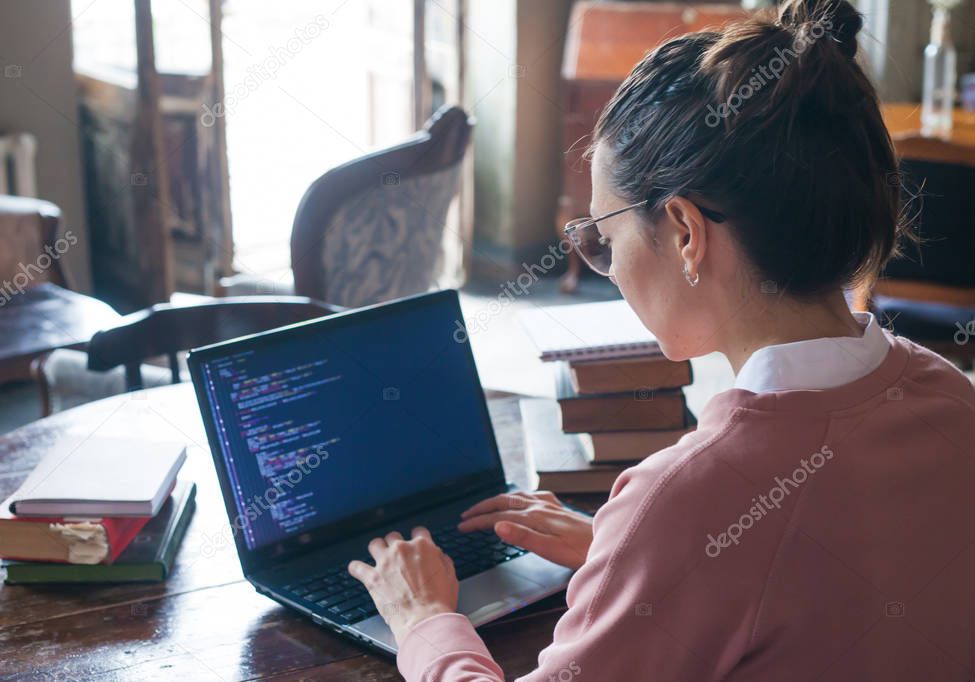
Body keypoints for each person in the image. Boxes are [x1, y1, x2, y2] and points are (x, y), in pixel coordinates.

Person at [348, 0, 975, 678]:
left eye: (604, 239)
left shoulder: (688, 499)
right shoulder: (946, 396)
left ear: (684, 232)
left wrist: (425, 622)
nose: (607, 268)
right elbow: (824, 587)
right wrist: (622, 556)